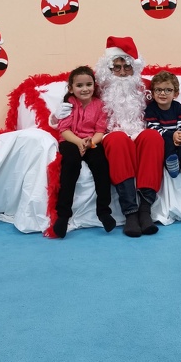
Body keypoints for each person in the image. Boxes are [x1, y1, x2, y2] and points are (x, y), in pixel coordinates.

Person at [94, 36, 164, 237]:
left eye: (127, 67)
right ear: (108, 69)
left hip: (139, 131)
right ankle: (131, 213)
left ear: (135, 68)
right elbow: (76, 101)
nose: (123, 73)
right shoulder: (97, 89)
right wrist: (61, 112)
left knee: (153, 137)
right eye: (117, 67)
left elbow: (168, 100)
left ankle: (145, 210)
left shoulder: (146, 87)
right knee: (117, 140)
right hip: (111, 133)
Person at [53, 66, 116, 238]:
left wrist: (90, 143)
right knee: (71, 163)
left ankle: (104, 211)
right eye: (79, 85)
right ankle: (63, 215)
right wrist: (79, 142)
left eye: (89, 84)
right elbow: (64, 130)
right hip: (70, 140)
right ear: (71, 88)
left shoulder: (100, 105)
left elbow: (100, 131)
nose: (85, 89)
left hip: (91, 141)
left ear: (94, 86)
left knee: (101, 164)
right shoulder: (68, 104)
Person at [145, 71, 181, 178]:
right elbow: (153, 128)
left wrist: (180, 134)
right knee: (166, 142)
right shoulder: (151, 109)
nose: (163, 93)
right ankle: (171, 165)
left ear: (175, 94)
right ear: (153, 93)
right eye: (158, 90)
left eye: (168, 90)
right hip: (163, 136)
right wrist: (172, 135)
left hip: (176, 134)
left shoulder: (178, 107)